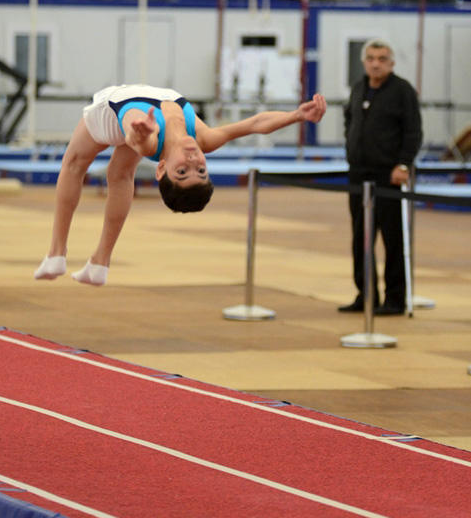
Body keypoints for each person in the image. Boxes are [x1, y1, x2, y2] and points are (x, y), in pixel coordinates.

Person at [34, 83, 327, 286]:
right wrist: (296, 116)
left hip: (112, 114)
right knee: (119, 174)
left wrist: (140, 133)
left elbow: (139, 141)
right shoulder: (204, 139)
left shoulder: (150, 142)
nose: (193, 159)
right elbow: (254, 125)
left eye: (182, 171)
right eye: (201, 169)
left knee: (74, 164)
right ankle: (100, 263)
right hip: (143, 117)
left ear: (161, 168)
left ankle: (56, 253)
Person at [339, 40, 422, 316]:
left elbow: (413, 130)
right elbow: (349, 119)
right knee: (360, 238)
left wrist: (404, 163)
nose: (376, 63)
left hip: (389, 176)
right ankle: (366, 295)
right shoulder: (358, 88)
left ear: (392, 63)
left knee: (392, 238)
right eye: (371, 58)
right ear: (364, 62)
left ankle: (395, 299)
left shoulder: (402, 91)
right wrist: (350, 146)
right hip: (358, 173)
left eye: (382, 59)